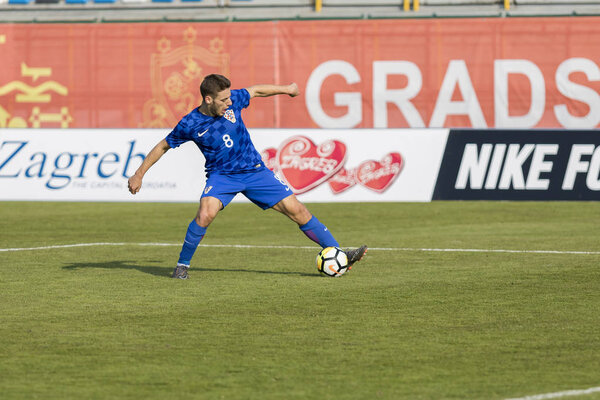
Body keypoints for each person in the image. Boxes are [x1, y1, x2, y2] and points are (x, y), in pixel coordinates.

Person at [128, 74, 367, 279]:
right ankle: (182, 266)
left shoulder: (233, 102)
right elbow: (163, 146)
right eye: (223, 99)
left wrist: (288, 89)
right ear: (208, 99)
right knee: (205, 213)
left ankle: (338, 252)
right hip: (222, 177)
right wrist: (139, 175)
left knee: (298, 211)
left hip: (255, 171)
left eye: (230, 97)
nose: (229, 102)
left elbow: (255, 91)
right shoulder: (190, 123)